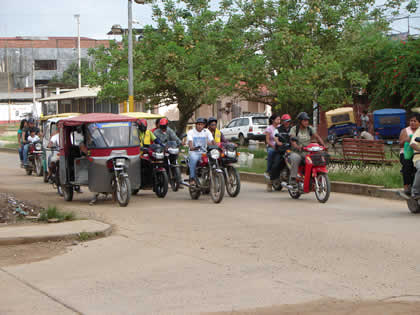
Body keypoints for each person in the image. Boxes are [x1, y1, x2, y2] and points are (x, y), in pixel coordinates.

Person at [288, 112, 326, 187]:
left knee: (319, 158)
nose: (306, 122)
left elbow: (317, 137)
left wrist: (323, 145)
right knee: (295, 158)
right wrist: (297, 146)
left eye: (307, 120)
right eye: (304, 120)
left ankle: (315, 176)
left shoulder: (309, 128)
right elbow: (292, 140)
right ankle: (293, 178)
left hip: (308, 152)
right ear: (300, 121)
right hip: (297, 152)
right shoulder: (294, 129)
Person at [187, 117, 214, 185]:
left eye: (201, 124)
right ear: (196, 125)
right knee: (193, 159)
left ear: (204, 125)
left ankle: (213, 176)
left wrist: (216, 146)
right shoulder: (191, 132)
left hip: (204, 153)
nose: (200, 126)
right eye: (198, 124)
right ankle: (192, 178)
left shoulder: (206, 131)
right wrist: (192, 147)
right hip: (194, 152)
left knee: (213, 159)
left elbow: (212, 140)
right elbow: (190, 141)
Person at [400, 114, 420, 196]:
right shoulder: (405, 131)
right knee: (407, 165)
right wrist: (406, 140)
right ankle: (407, 186)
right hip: (406, 153)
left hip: (415, 153)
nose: (412, 123)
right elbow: (400, 144)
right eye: (411, 121)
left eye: (415, 121)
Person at [264, 114, 281, 183]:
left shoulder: (280, 127)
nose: (279, 121)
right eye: (277, 119)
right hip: (271, 146)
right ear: (272, 120)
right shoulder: (269, 128)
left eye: (280, 119)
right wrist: (273, 146)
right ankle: (268, 170)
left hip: (280, 146)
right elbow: (267, 141)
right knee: (271, 152)